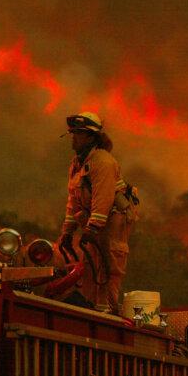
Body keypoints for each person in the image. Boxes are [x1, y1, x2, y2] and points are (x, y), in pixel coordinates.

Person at [58, 112, 136, 315]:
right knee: (91, 267)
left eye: (78, 133)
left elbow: (103, 199)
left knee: (109, 268)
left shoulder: (103, 162)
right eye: (72, 133)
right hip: (96, 223)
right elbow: (73, 201)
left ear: (91, 137)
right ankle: (93, 309)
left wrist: (93, 227)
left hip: (114, 222)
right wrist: (67, 232)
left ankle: (108, 313)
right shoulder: (78, 163)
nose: (73, 137)